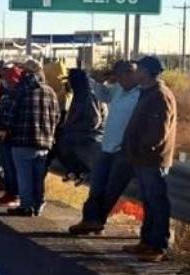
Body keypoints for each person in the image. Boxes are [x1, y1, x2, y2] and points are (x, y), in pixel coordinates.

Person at [68, 61, 140, 235]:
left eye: (122, 75)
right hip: (107, 146)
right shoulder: (119, 90)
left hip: (124, 150)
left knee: (111, 189)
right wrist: (100, 82)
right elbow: (103, 96)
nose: (119, 79)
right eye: (117, 75)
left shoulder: (141, 94)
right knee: (97, 185)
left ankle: (95, 220)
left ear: (132, 74)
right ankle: (90, 220)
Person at [120, 55, 177, 262]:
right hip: (142, 159)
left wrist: (140, 148)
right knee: (149, 203)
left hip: (152, 160)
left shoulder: (160, 96)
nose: (134, 72)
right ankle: (146, 242)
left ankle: (158, 246)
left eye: (138, 69)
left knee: (157, 202)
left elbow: (157, 133)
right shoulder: (147, 93)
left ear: (146, 72)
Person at [5, 59, 60, 216]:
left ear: (26, 72)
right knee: (38, 176)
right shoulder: (50, 92)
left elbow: (10, 114)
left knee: (24, 176)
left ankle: (26, 205)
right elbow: (56, 116)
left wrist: (8, 130)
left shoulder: (20, 90)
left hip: (22, 139)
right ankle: (38, 204)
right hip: (44, 141)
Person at [54, 67, 105, 182]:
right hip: (79, 133)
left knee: (64, 140)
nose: (69, 84)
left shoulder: (88, 95)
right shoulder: (79, 94)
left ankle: (79, 171)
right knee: (59, 138)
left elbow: (94, 121)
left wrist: (71, 128)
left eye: (70, 81)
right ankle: (74, 171)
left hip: (90, 135)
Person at [0, 64, 24, 207]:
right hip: (3, 133)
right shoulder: (9, 92)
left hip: (10, 135)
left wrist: (6, 130)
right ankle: (9, 192)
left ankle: (14, 194)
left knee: (11, 167)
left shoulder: (18, 94)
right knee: (7, 165)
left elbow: (14, 115)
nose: (4, 81)